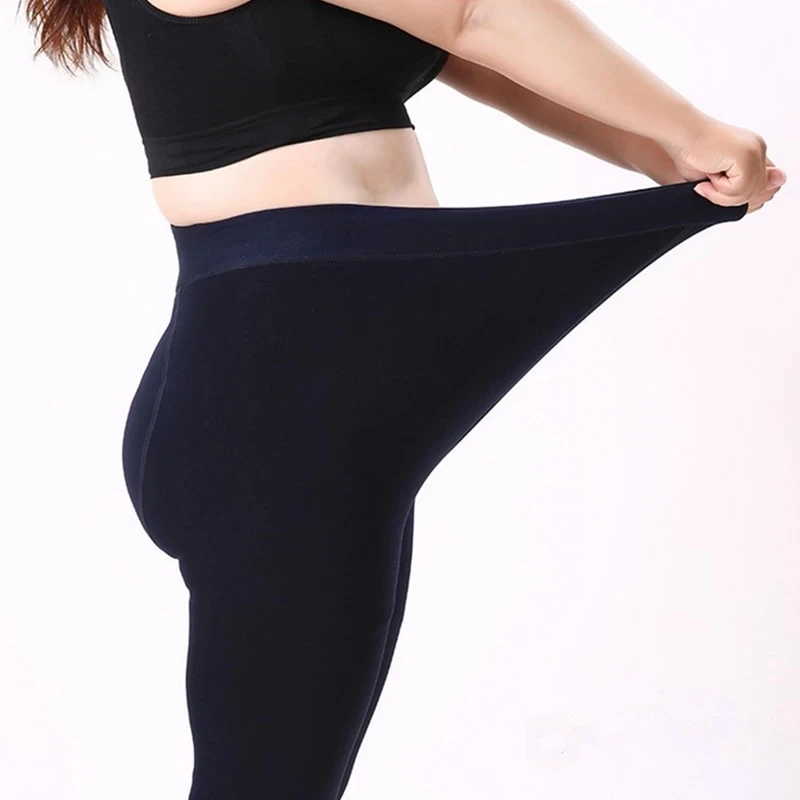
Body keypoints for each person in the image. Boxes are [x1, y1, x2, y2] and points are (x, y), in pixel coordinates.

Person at [20, 0, 786, 797]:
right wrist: (694, 130)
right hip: (283, 400)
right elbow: (473, 14)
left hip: (298, 387)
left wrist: (668, 154)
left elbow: (477, 60)